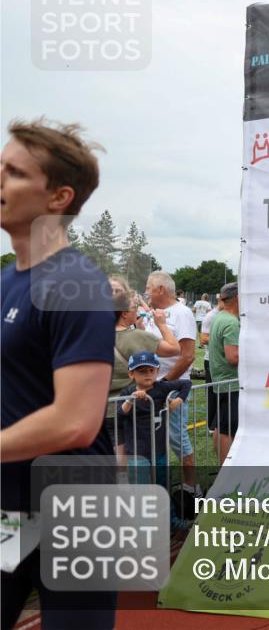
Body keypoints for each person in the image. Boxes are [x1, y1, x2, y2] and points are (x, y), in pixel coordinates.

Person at [1, 118, 117, 629]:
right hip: (8, 509)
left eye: (12, 173)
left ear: (57, 197)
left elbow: (76, 422)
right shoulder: (7, 280)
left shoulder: (75, 282)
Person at [117, 351, 191, 527]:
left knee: (162, 488)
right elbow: (120, 414)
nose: (147, 375)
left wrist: (177, 401)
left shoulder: (161, 388)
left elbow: (186, 383)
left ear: (157, 371)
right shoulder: (127, 392)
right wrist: (132, 400)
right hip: (138, 454)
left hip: (159, 451)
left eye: (151, 370)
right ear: (131, 374)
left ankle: (171, 522)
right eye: (142, 371)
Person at [143, 271, 199, 495]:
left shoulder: (182, 313)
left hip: (172, 389)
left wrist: (164, 383)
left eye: (148, 287)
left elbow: (188, 355)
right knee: (154, 438)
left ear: (160, 290)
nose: (146, 291)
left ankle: (191, 487)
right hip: (151, 387)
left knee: (177, 438)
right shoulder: (157, 314)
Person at [108, 292, 180, 457]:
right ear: (125, 313)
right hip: (132, 408)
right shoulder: (139, 337)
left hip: (102, 409)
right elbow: (174, 348)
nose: (138, 311)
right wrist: (162, 324)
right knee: (131, 459)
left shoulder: (93, 336)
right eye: (134, 308)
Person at [208, 282, 240, 462]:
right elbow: (233, 357)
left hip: (221, 380)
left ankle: (223, 468)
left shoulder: (219, 317)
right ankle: (228, 470)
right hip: (231, 382)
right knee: (229, 428)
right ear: (237, 298)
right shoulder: (231, 322)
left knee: (221, 426)